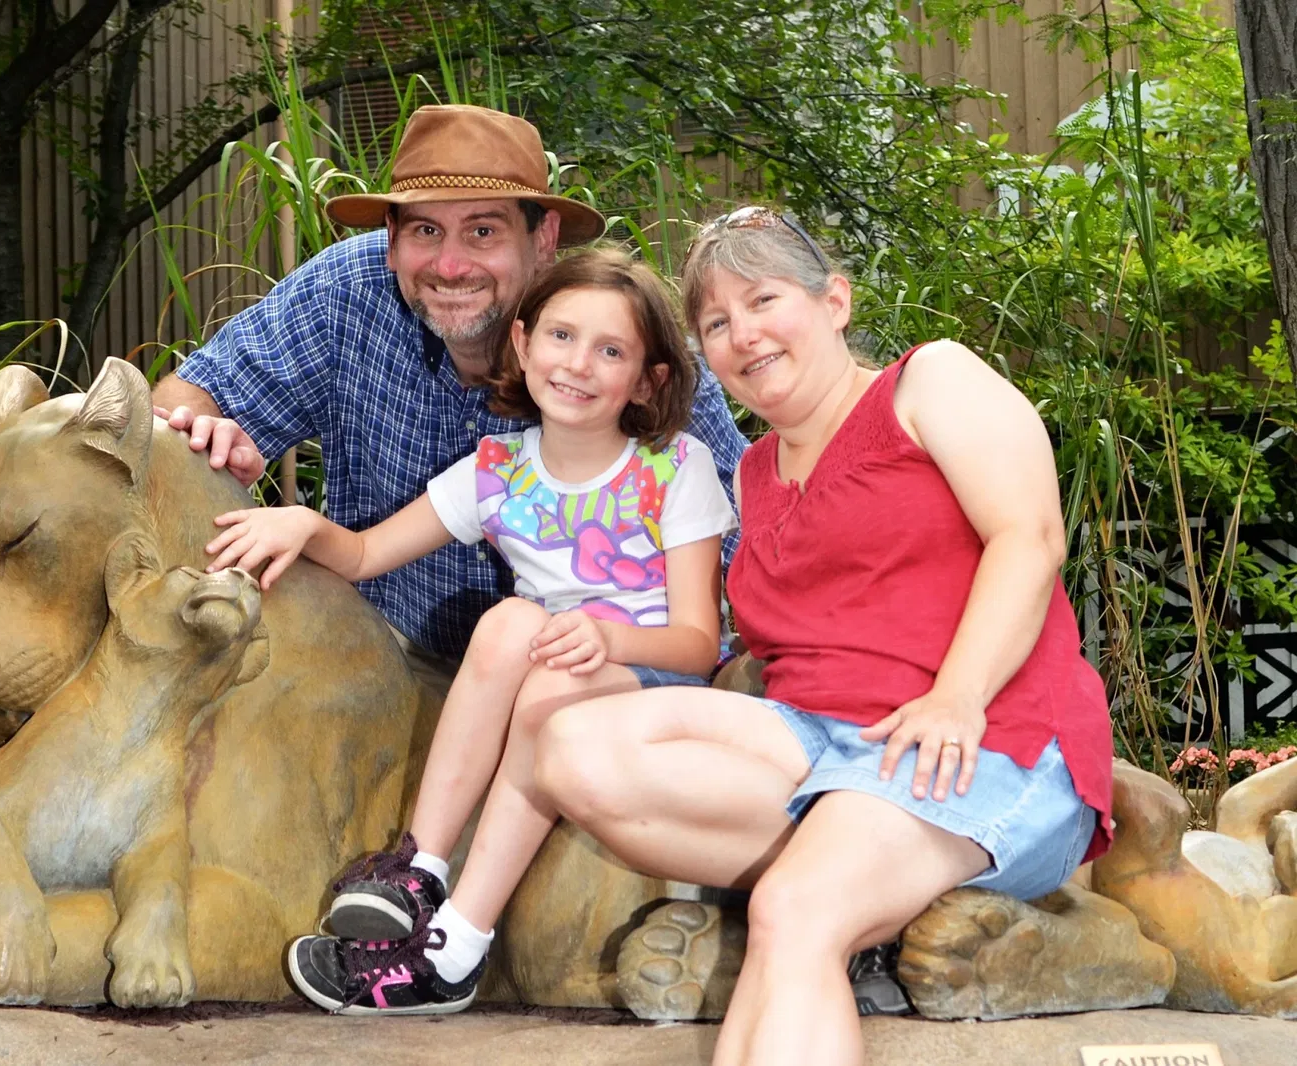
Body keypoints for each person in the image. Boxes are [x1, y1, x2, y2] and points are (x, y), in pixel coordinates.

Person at [526, 207, 1114, 1065]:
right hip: (823, 744)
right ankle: (854, 887)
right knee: (572, 744)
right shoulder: (752, 472)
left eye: (763, 300)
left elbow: (1030, 538)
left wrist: (957, 697)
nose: (743, 335)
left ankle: (837, 892)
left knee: (793, 911)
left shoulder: (928, 384)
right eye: (716, 323)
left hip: (983, 741)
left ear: (834, 301)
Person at [207, 250, 737, 1014]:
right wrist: (302, 524)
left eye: (610, 351)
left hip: (649, 673)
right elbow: (366, 554)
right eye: (561, 336)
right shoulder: (496, 471)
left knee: (548, 673)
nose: (578, 364)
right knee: (509, 620)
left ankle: (457, 947)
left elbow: (697, 642)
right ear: (523, 343)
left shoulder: (674, 466)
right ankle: (418, 870)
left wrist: (609, 638)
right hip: (550, 665)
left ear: (648, 380)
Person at [150, 104, 747, 679]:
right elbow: (185, 401)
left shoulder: (626, 350)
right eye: (426, 230)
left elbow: (745, 547)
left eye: (483, 230)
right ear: (392, 238)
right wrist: (206, 438)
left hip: (597, 675)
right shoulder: (345, 291)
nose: (451, 265)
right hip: (381, 657)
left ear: (543, 238)